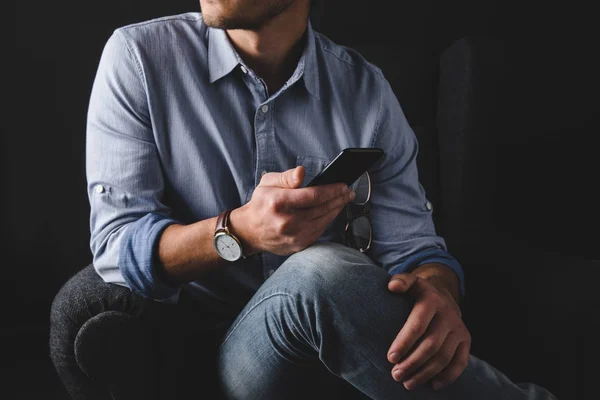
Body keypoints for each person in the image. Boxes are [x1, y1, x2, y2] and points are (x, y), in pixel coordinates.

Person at [50, 0, 557, 399]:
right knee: (321, 271)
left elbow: (417, 251)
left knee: (339, 278)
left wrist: (438, 294)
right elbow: (116, 247)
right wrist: (241, 232)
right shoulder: (139, 58)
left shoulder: (365, 92)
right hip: (199, 352)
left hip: (333, 355)